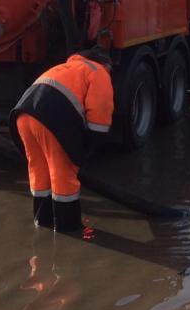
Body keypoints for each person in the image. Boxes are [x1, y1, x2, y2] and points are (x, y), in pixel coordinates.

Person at [10, 47, 115, 232]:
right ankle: (68, 229)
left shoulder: (65, 68)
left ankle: (42, 222)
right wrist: (91, 145)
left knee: (39, 170)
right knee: (63, 174)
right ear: (105, 63)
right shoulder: (98, 72)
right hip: (52, 119)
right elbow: (100, 112)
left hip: (22, 116)